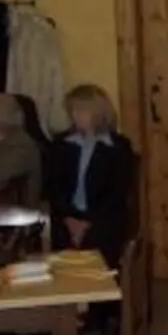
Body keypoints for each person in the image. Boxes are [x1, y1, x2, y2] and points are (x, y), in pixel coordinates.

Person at [45, 84, 135, 267]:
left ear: (99, 112)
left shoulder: (118, 147)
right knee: (59, 238)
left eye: (82, 110)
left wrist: (86, 222)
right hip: (67, 216)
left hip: (102, 216)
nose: (76, 116)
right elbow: (53, 187)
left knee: (99, 238)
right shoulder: (61, 145)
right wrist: (70, 219)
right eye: (73, 111)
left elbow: (116, 192)